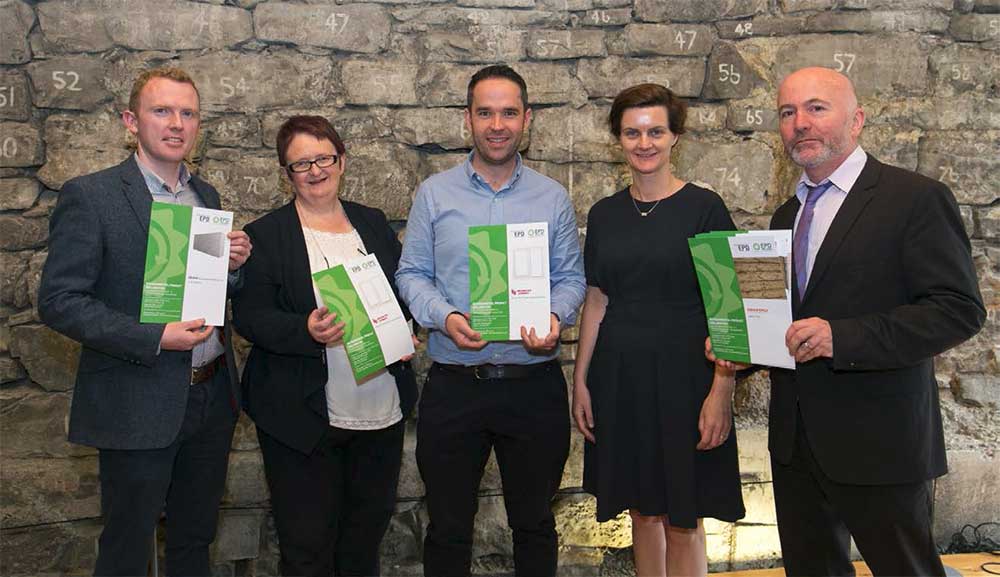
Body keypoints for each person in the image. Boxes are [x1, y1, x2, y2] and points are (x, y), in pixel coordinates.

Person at [709, 66, 985, 575]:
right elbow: (784, 328)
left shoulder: (915, 199)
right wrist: (743, 348)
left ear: (856, 120)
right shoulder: (784, 217)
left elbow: (957, 309)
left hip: (881, 441)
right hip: (795, 444)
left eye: (816, 108)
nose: (800, 123)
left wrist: (843, 337)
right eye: (788, 113)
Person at [37, 67, 251, 575]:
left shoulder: (208, 197)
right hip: (136, 400)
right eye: (162, 111)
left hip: (211, 396)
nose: (176, 123)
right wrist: (155, 337)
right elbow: (60, 300)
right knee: (128, 550)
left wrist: (234, 271)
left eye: (188, 113)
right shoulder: (92, 196)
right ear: (131, 122)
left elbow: (208, 296)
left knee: (194, 541)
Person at [396, 64, 586, 577]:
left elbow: (571, 278)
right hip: (456, 385)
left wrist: (553, 315)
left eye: (508, 113)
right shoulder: (435, 194)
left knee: (534, 525)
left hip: (533, 384)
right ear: (468, 119)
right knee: (448, 529)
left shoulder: (551, 197)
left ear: (527, 119)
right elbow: (411, 273)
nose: (496, 124)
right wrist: (444, 316)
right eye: (485, 113)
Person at [231, 115, 417, 576]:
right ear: (286, 173)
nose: (315, 171)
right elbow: (250, 318)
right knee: (306, 545)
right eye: (301, 164)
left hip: (379, 411)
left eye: (324, 159)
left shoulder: (371, 224)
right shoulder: (266, 235)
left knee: (364, 539)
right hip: (301, 417)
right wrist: (306, 330)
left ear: (341, 161)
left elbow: (399, 294)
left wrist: (407, 329)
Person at [571, 84, 745, 577]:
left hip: (687, 379)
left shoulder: (705, 208)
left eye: (655, 131)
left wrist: (722, 389)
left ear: (675, 137)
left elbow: (729, 308)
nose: (643, 143)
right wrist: (581, 381)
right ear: (618, 140)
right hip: (620, 378)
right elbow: (597, 299)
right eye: (632, 132)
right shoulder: (605, 214)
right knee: (641, 510)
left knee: (682, 517)